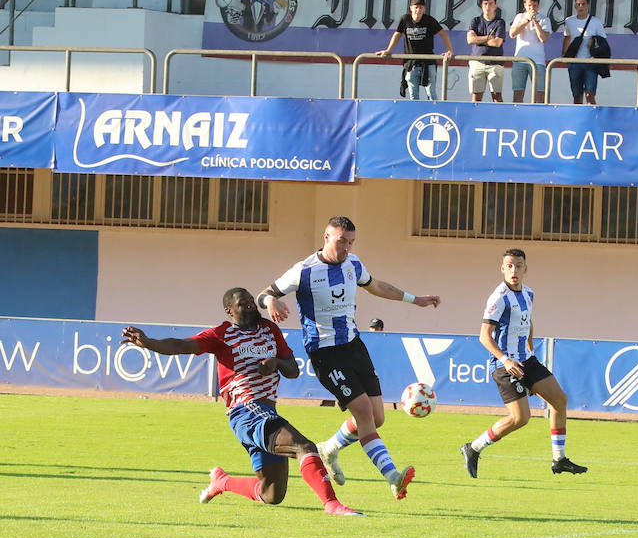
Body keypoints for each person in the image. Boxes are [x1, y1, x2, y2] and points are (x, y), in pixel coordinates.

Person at [120, 288, 362, 517]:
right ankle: (332, 504)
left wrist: (276, 363)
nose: (249, 303)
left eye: (250, 299)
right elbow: (182, 345)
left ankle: (221, 482)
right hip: (245, 411)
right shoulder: (221, 334)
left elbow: (293, 370)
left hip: (265, 412)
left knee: (272, 494)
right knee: (305, 447)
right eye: (242, 302)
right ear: (230, 311)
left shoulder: (269, 329)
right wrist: (149, 342)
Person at [257, 216, 440, 498]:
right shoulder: (304, 270)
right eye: (342, 241)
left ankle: (329, 448)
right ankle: (393, 476)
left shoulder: (354, 264)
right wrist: (271, 301)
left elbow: (376, 285)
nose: (346, 248)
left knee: (377, 417)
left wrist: (413, 299)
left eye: (351, 242)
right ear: (326, 237)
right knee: (364, 412)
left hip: (354, 345)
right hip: (325, 353)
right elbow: (264, 294)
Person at [461, 248, 587, 479]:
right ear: (502, 269)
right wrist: (505, 360)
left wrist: (530, 342)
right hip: (504, 364)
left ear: (525, 269)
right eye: (509, 266)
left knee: (559, 400)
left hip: (526, 360)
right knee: (521, 419)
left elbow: (527, 321)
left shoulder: (528, 293)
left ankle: (559, 459)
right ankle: (474, 448)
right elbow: (483, 336)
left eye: (518, 266)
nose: (514, 270)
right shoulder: (498, 298)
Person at [376, 0, 454, 100]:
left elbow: (443, 34)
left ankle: (433, 114)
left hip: (428, 61)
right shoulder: (405, 19)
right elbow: (397, 34)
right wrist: (388, 50)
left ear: (424, 9)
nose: (418, 10)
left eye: (421, 7)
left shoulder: (429, 20)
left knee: (431, 94)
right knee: (413, 95)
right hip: (411, 62)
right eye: (416, 7)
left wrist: (450, 50)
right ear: (411, 8)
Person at [563, 0, 607, 106]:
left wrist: (593, 41)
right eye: (578, 4)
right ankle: (577, 121)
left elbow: (603, 41)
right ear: (575, 6)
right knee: (577, 96)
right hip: (574, 62)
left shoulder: (596, 21)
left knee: (590, 95)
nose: (581, 7)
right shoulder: (569, 21)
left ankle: (592, 120)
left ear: (588, 5)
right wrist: (565, 56)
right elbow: (567, 38)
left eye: (583, 4)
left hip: (591, 62)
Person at [510, 0, 552, 103]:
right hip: (520, 61)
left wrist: (536, 23)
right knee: (517, 96)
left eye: (534, 5)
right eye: (529, 5)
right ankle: (518, 118)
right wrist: (527, 20)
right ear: (524, 5)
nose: (532, 8)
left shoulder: (544, 19)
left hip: (538, 62)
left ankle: (539, 118)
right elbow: (512, 33)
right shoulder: (519, 17)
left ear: (538, 4)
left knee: (540, 95)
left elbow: (543, 38)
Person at [466, 0, 507, 102]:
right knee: (476, 97)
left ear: (495, 5)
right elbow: (470, 40)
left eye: (490, 3)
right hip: (477, 62)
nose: (487, 6)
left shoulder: (500, 22)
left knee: (497, 97)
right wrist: (488, 38)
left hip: (495, 64)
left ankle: (499, 119)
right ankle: (475, 119)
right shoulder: (475, 21)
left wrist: (478, 40)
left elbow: (497, 43)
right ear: (481, 6)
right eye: (485, 4)